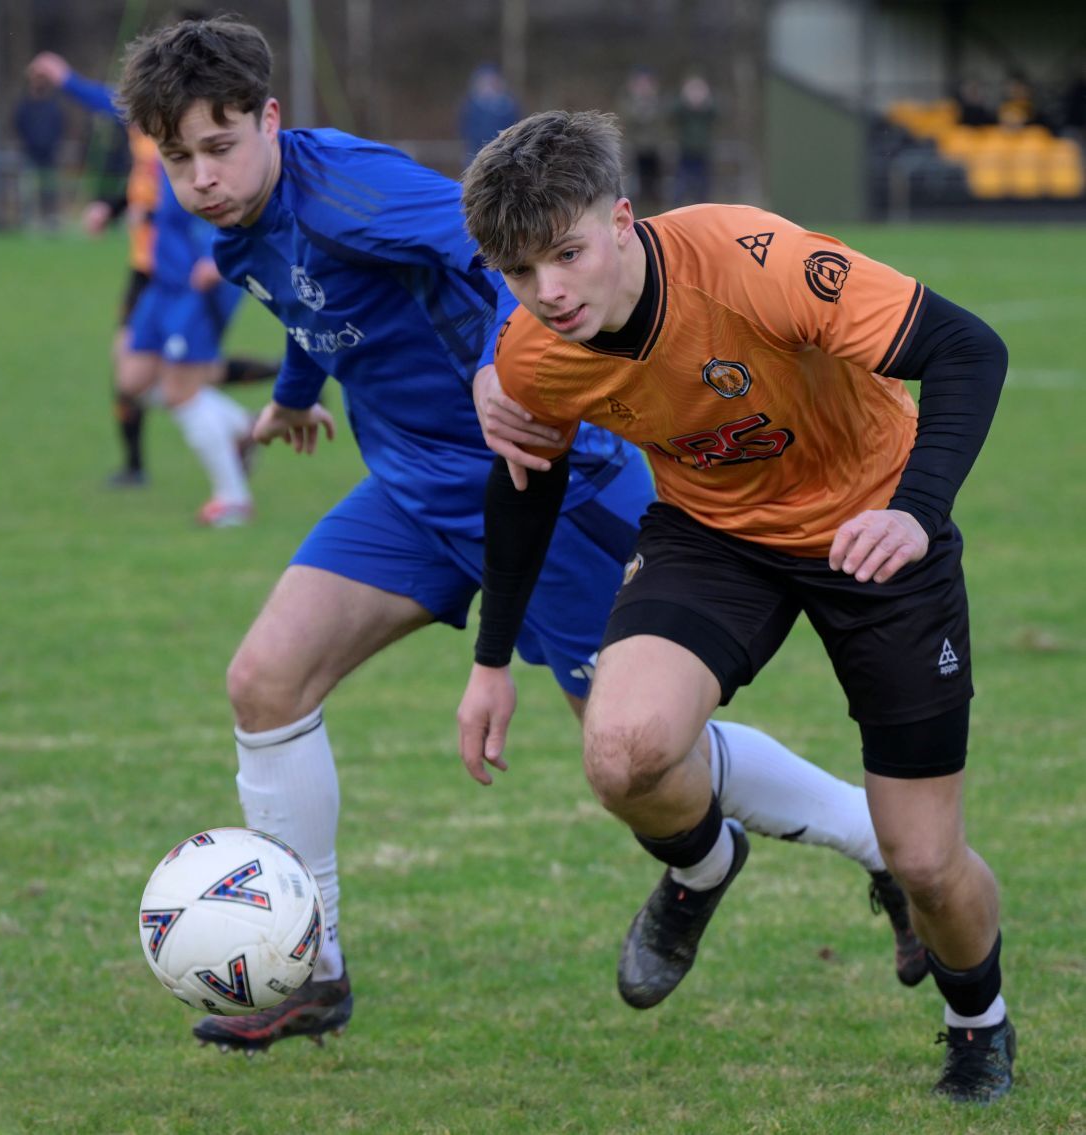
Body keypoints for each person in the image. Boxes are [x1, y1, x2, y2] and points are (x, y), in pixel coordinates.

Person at [115, 16, 925, 1054]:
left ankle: (877, 844)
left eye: (220, 147)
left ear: (272, 118)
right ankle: (310, 969)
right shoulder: (240, 221)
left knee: (640, 753)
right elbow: (309, 301)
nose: (201, 176)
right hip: (408, 489)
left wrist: (506, 361)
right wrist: (292, 391)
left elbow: (490, 242)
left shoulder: (348, 189)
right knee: (264, 682)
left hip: (545, 486)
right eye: (176, 157)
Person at [459, 110, 1013, 1103]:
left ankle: (977, 1024)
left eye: (567, 254)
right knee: (620, 749)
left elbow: (967, 348)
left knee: (925, 863)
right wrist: (489, 658)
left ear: (622, 220)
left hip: (872, 528)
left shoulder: (753, 260)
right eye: (517, 272)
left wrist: (916, 512)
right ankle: (703, 868)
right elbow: (524, 477)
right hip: (713, 536)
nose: (547, 292)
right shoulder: (535, 347)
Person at [27, 50, 278, 494]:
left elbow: (230, 196)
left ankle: (233, 499)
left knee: (182, 388)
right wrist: (65, 79)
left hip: (196, 283)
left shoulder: (196, 137)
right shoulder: (155, 138)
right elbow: (107, 104)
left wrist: (213, 256)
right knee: (133, 379)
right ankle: (240, 424)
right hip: (159, 279)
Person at [13, 73, 66, 228]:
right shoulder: (24, 107)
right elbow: (19, 126)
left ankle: (49, 220)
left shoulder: (53, 106)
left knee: (49, 189)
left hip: (49, 154)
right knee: (28, 189)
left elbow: (59, 126)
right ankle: (28, 221)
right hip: (29, 154)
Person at [616, 67, 665, 214]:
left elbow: (664, 126)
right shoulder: (626, 103)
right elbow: (623, 124)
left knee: (655, 187)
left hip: (654, 150)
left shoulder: (659, 103)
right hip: (634, 150)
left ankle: (654, 212)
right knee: (633, 186)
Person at [670, 72, 718, 206]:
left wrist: (705, 101)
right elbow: (672, 113)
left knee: (703, 188)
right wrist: (686, 101)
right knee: (681, 186)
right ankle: (678, 209)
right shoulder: (682, 108)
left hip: (703, 151)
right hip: (685, 151)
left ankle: (703, 208)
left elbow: (717, 112)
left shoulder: (708, 108)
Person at [458, 64, 522, 165]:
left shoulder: (507, 104)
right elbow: (465, 128)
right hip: (476, 152)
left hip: (503, 151)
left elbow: (516, 124)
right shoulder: (471, 105)